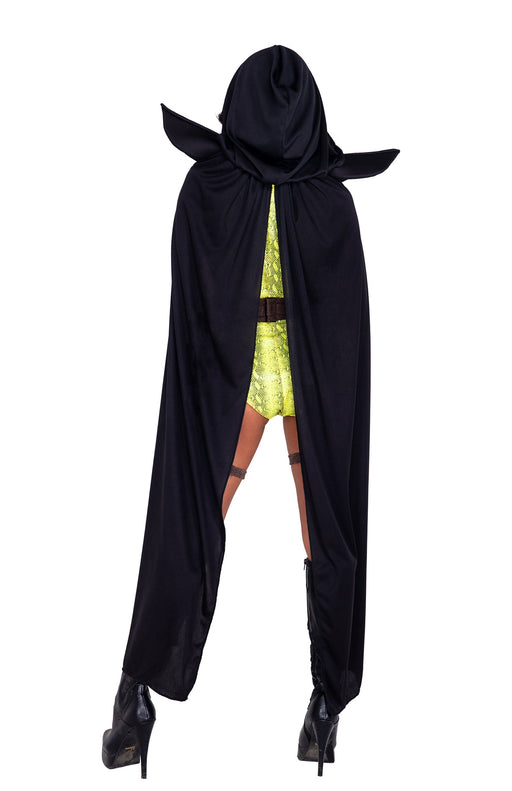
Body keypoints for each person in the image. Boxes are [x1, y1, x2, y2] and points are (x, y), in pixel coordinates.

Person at [102, 44, 399, 778]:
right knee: (319, 530)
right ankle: (324, 709)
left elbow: (195, 306)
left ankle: (136, 700)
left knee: (200, 515)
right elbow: (344, 324)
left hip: (240, 375)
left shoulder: (211, 185)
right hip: (300, 377)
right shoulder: (329, 199)